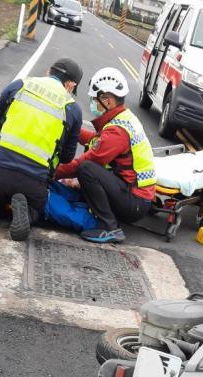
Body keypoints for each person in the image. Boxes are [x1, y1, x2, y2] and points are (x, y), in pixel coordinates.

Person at [0, 58, 84, 241]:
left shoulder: (19, 85)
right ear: (70, 85)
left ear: (48, 71)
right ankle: (27, 213)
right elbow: (67, 157)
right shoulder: (72, 108)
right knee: (38, 209)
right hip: (33, 180)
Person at [54, 67, 157, 244]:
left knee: (86, 169)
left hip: (134, 202)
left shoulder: (117, 131)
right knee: (87, 170)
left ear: (107, 101)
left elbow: (86, 160)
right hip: (136, 195)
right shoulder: (124, 118)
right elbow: (97, 140)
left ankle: (109, 227)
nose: (93, 103)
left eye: (95, 99)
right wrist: (71, 128)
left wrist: (51, 171)